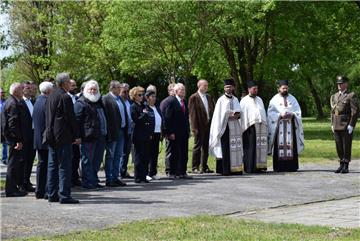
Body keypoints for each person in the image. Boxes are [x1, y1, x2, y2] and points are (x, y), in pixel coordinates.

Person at [45, 73, 81, 204]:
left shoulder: (51, 95)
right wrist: (76, 135)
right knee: (64, 166)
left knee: (53, 166)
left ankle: (52, 194)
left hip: (51, 135)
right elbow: (71, 118)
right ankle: (65, 195)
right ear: (64, 83)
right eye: (68, 82)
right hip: (63, 136)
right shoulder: (64, 97)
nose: (70, 85)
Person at [74, 80, 106, 189]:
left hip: (100, 136)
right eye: (90, 89)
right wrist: (77, 136)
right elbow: (76, 122)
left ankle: (94, 179)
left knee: (97, 160)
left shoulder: (98, 102)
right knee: (87, 160)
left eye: (95, 89)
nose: (93, 91)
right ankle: (87, 182)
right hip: (87, 137)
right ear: (85, 90)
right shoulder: (80, 103)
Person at [267, 80, 305, 172]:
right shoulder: (274, 100)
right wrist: (280, 115)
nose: (285, 90)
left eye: (286, 88)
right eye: (283, 88)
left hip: (290, 126)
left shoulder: (293, 99)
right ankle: (279, 167)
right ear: (279, 89)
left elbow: (298, 112)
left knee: (291, 144)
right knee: (278, 146)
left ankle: (291, 166)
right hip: (278, 127)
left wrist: (293, 115)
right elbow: (270, 113)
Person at [209, 79, 243, 175]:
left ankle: (236, 169)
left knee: (235, 147)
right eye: (226, 87)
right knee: (225, 148)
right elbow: (218, 115)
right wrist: (227, 115)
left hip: (234, 127)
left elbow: (240, 111)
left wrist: (237, 114)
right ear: (224, 88)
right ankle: (225, 170)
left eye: (230, 87)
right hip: (224, 127)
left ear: (233, 88)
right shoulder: (221, 100)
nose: (228, 88)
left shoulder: (235, 99)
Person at [1, 83, 27, 197]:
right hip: (13, 139)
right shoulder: (13, 103)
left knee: (15, 164)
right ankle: (11, 190)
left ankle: (13, 187)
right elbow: (13, 124)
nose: (23, 91)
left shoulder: (13, 102)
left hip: (12, 138)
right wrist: (17, 140)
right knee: (12, 164)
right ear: (16, 91)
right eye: (22, 89)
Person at [330, 75, 359, 174]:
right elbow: (332, 111)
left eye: (341, 83)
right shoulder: (335, 96)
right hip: (336, 123)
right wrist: (332, 124)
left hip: (346, 124)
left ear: (346, 84)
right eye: (338, 83)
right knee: (338, 145)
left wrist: (352, 125)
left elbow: (354, 111)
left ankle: (346, 164)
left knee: (346, 145)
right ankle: (341, 163)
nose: (339, 85)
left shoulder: (351, 95)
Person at [163, 83, 191, 179]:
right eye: (181, 90)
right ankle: (171, 172)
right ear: (175, 91)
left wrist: (188, 130)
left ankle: (182, 171)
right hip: (174, 132)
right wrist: (169, 132)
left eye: (184, 90)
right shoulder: (171, 101)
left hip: (184, 132)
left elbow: (186, 117)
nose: (183, 92)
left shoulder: (184, 102)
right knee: (173, 152)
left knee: (184, 152)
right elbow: (168, 118)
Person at [102, 81, 127, 187]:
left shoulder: (120, 99)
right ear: (112, 88)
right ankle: (109, 178)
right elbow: (106, 117)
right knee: (110, 155)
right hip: (112, 131)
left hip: (121, 130)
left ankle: (116, 177)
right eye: (118, 87)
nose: (120, 89)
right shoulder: (106, 98)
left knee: (118, 155)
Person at [240, 80, 268, 173]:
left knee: (260, 147)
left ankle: (260, 167)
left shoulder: (259, 99)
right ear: (249, 89)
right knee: (250, 147)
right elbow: (243, 115)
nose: (256, 90)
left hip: (260, 127)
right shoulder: (244, 101)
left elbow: (262, 112)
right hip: (249, 128)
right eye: (254, 89)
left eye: (257, 89)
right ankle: (249, 167)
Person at [188, 79, 215, 174]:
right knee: (197, 147)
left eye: (207, 85)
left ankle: (204, 166)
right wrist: (194, 128)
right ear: (199, 86)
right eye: (205, 85)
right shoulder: (193, 97)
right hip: (199, 126)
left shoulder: (208, 97)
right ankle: (195, 167)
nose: (206, 87)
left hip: (208, 125)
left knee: (206, 147)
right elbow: (192, 114)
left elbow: (212, 110)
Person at [33, 81, 54, 199]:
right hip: (45, 139)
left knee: (42, 165)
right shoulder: (46, 102)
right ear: (48, 91)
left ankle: (39, 190)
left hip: (39, 138)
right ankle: (45, 190)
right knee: (46, 165)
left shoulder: (38, 101)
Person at [130, 86, 154, 183]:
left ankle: (144, 176)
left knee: (145, 156)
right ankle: (138, 177)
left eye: (142, 95)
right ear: (134, 96)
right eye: (139, 95)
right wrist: (144, 114)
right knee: (138, 156)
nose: (141, 96)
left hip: (146, 134)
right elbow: (136, 120)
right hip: (138, 134)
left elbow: (148, 119)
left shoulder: (144, 106)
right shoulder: (133, 107)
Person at [19, 81, 37, 192]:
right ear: (22, 89)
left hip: (33, 134)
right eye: (27, 88)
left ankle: (27, 181)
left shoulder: (33, 102)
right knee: (22, 161)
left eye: (30, 88)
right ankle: (20, 183)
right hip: (24, 136)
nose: (29, 90)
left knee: (30, 159)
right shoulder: (20, 102)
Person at [145, 90, 162, 181]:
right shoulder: (146, 108)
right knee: (148, 153)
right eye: (152, 97)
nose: (154, 99)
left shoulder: (157, 107)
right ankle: (146, 173)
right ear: (147, 98)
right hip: (150, 134)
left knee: (155, 154)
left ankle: (153, 172)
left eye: (155, 97)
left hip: (157, 133)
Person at [159, 83, 175, 176]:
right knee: (169, 151)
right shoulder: (167, 102)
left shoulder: (175, 101)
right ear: (169, 91)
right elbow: (166, 119)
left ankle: (174, 169)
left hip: (176, 131)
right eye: (173, 89)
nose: (175, 91)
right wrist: (169, 132)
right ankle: (169, 170)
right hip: (169, 131)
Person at [68, 79, 81, 187]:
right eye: (72, 85)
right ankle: (70, 179)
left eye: (75, 85)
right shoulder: (65, 98)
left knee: (76, 156)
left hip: (77, 131)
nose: (74, 87)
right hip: (69, 132)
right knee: (70, 157)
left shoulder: (76, 98)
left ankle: (75, 177)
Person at [119, 83, 134, 179]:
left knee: (126, 152)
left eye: (128, 91)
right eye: (124, 91)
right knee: (119, 152)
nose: (126, 93)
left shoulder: (129, 101)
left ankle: (123, 171)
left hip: (129, 129)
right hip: (121, 129)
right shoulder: (118, 101)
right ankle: (119, 172)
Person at [0, 88, 8, 165]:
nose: (2, 94)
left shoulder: (6, 102)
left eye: (3, 92)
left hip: (3, 124)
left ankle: (4, 159)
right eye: (1, 92)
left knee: (4, 143)